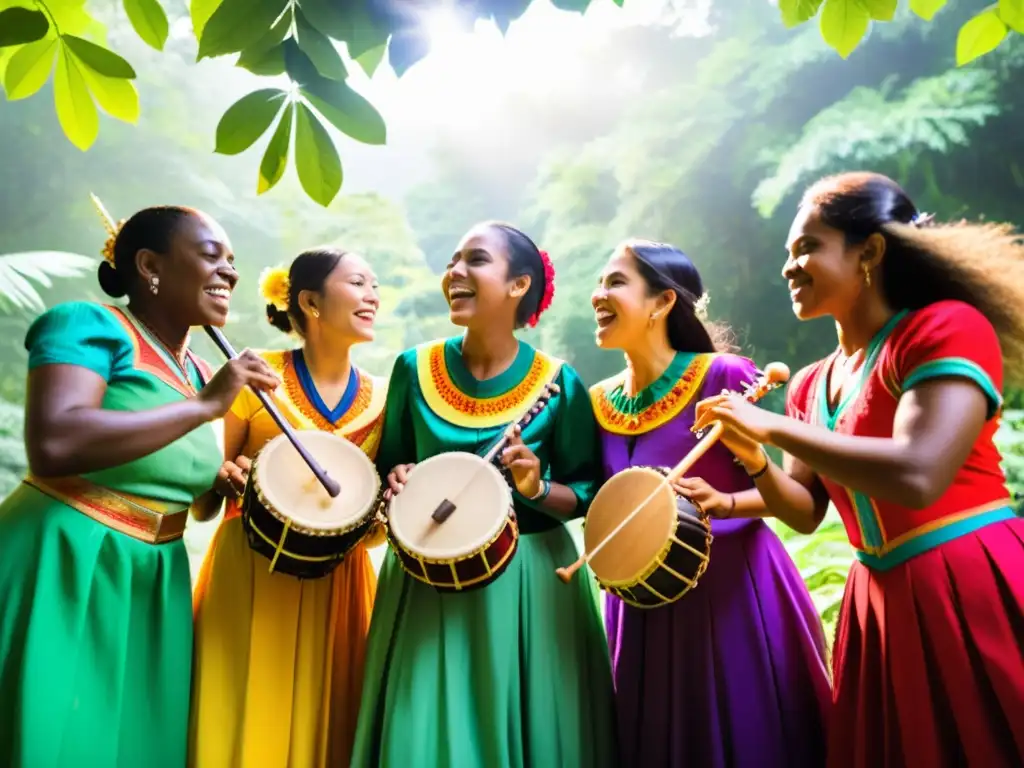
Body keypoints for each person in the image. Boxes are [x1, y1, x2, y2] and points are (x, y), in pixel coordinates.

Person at [693, 172, 1024, 768]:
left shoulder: (942, 328)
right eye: (788, 254)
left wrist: (771, 426)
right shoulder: (810, 384)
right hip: (877, 601)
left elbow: (919, 473)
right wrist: (753, 458)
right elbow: (804, 507)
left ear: (868, 252)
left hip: (967, 579)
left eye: (807, 248)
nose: (790, 267)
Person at [0, 201, 280, 767]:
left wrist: (219, 483)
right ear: (150, 265)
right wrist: (204, 408)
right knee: (48, 732)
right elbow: (54, 443)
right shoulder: (90, 324)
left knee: (130, 744)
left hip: (154, 579)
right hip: (66, 559)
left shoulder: (203, 370)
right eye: (211, 256)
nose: (230, 271)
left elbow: (189, 502)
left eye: (232, 260)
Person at [350, 222, 618, 768]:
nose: (455, 272)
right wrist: (396, 479)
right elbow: (383, 469)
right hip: (424, 573)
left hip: (529, 583)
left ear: (519, 285)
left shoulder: (559, 381)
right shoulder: (412, 368)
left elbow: (590, 492)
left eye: (475, 259)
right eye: (452, 260)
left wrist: (536, 486)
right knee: (419, 726)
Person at [589, 239, 831, 767]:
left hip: (732, 593)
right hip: (640, 604)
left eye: (615, 282)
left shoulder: (727, 377)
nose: (598, 294)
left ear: (661, 302)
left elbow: (788, 499)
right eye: (599, 282)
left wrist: (726, 500)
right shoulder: (597, 402)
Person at [189, 248, 387, 768]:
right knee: (242, 720)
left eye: (375, 285)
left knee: (331, 731)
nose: (373, 295)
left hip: (340, 584)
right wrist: (221, 479)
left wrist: (382, 515)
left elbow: (374, 531)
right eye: (359, 282)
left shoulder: (386, 397)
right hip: (250, 571)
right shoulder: (252, 374)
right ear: (309, 302)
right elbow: (203, 504)